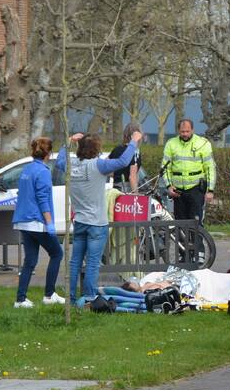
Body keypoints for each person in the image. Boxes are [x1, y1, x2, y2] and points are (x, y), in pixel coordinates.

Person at [59, 128, 143, 299]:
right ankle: (89, 297)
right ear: (96, 150)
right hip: (97, 223)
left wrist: (68, 140)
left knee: (75, 262)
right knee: (92, 263)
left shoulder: (71, 165)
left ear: (79, 148)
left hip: (80, 221)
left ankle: (72, 298)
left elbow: (60, 158)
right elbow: (123, 161)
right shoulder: (98, 165)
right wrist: (134, 141)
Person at [11, 137, 65, 308]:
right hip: (37, 222)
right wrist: (49, 224)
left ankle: (20, 299)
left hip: (23, 221)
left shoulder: (27, 169)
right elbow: (43, 199)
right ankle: (49, 295)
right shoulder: (43, 171)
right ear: (49, 153)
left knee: (30, 261)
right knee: (57, 254)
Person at [162, 119, 215, 225]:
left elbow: (210, 168)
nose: (185, 134)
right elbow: (165, 168)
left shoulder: (203, 143)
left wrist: (210, 190)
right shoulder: (171, 144)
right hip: (178, 191)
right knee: (180, 223)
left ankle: (196, 242)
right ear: (178, 131)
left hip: (196, 189)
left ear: (192, 130)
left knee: (196, 222)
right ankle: (182, 242)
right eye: (182, 132)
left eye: (187, 131)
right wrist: (169, 186)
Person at [110, 123, 143, 193]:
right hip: (127, 190)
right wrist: (136, 194)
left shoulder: (117, 149)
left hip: (115, 190)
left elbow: (108, 170)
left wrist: (117, 175)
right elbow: (132, 177)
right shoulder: (135, 152)